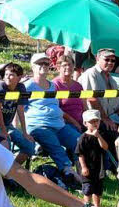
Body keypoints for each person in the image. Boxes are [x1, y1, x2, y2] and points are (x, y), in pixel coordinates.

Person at [24, 52, 82, 180]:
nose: (43, 66)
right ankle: (69, 173)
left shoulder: (52, 86)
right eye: (40, 63)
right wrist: (22, 131)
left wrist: (74, 122)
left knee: (80, 141)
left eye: (46, 63)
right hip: (39, 125)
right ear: (33, 66)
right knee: (55, 145)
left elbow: (56, 108)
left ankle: (85, 173)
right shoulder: (27, 86)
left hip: (59, 125)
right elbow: (19, 109)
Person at [76, 110, 109, 207]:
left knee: (97, 189)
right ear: (85, 123)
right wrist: (84, 167)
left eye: (96, 121)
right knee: (88, 189)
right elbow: (80, 154)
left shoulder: (101, 135)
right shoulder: (83, 137)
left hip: (98, 167)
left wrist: (98, 136)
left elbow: (105, 147)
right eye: (92, 121)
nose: (95, 123)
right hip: (87, 168)